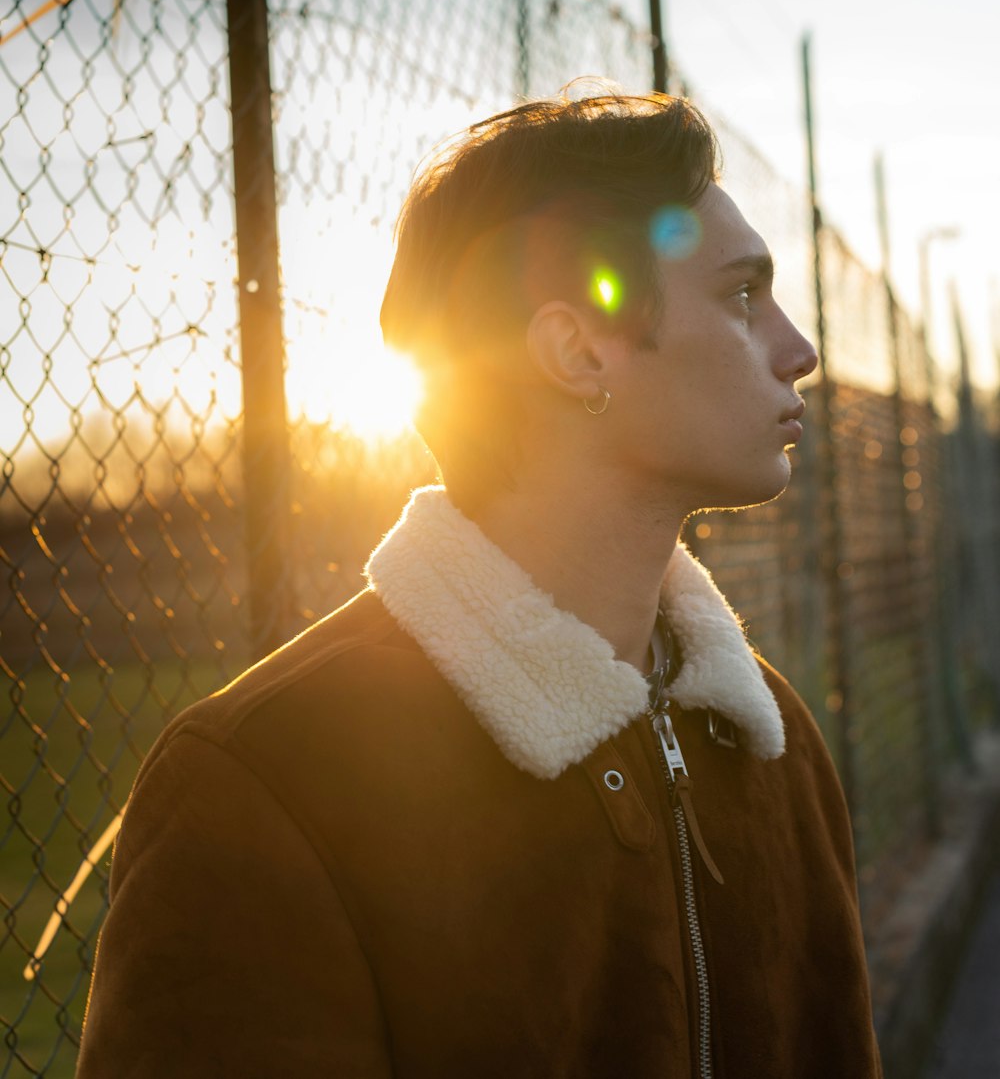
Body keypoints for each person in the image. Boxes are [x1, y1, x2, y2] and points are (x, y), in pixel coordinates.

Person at [77, 91, 882, 1077]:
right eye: (742, 296)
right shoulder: (267, 785)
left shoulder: (772, 741)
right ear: (578, 348)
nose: (799, 349)